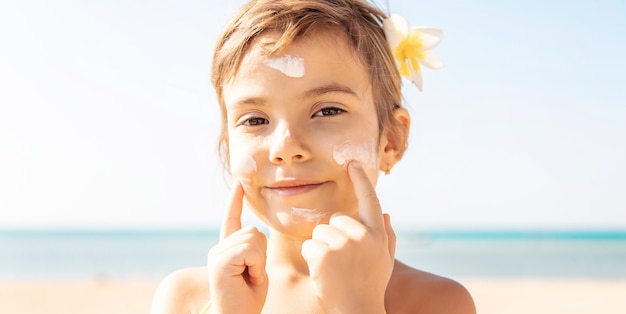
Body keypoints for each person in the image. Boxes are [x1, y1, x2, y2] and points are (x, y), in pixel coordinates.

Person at [151, 0, 475, 313]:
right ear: (228, 145)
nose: (286, 147)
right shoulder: (185, 299)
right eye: (255, 120)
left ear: (391, 140)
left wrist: (358, 308)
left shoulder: (437, 303)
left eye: (328, 110)